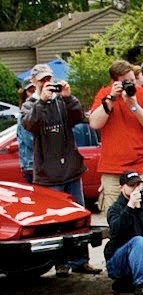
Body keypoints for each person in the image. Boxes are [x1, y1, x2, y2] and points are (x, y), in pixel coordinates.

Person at [22, 63, 100, 275]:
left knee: (78, 217)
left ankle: (81, 261)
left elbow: (78, 118)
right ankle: (61, 263)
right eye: (42, 80)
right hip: (49, 175)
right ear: (34, 82)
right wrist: (42, 101)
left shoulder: (61, 102)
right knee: (55, 222)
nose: (47, 83)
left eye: (49, 79)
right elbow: (31, 125)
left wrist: (68, 97)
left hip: (71, 170)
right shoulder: (30, 104)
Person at [90, 59, 143, 212]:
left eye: (132, 81)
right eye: (125, 82)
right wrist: (111, 99)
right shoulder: (104, 94)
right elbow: (95, 123)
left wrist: (134, 106)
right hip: (113, 169)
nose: (130, 85)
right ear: (114, 82)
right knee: (114, 218)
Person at [16, 82, 35, 183]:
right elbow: (30, 141)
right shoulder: (24, 115)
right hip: (32, 165)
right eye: (31, 91)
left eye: (36, 90)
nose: (34, 94)